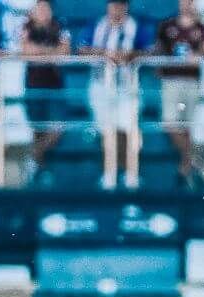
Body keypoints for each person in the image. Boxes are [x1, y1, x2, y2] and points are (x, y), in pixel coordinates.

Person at [84, 0, 146, 189]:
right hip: (101, 85)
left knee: (128, 129)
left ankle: (129, 173)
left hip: (128, 86)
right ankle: (109, 173)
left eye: (121, 5)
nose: (117, 9)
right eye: (113, 5)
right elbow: (82, 48)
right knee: (106, 130)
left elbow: (149, 50)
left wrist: (129, 55)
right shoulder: (97, 25)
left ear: (126, 7)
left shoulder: (136, 27)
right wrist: (106, 54)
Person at [152, 0, 204, 189]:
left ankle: (185, 168)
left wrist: (198, 56)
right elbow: (158, 48)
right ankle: (192, 160)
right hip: (172, 80)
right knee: (170, 123)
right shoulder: (167, 26)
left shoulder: (201, 27)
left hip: (191, 81)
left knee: (187, 126)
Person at [21, 0, 69, 185]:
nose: (42, 12)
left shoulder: (60, 27)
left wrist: (41, 54)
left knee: (58, 127)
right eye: (38, 8)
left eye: (45, 8)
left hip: (55, 85)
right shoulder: (27, 27)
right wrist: (50, 53)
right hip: (34, 85)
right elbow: (26, 51)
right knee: (37, 130)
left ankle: (33, 157)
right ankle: (39, 170)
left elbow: (64, 53)